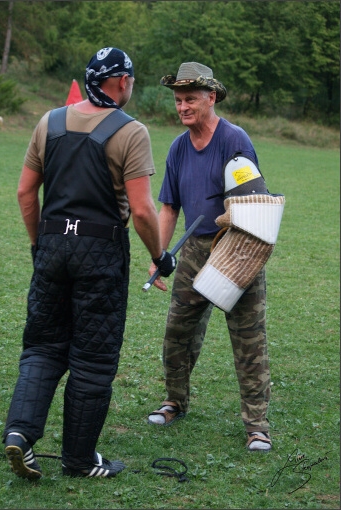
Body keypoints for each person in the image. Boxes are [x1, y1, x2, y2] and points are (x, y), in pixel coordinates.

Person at [2, 47, 176, 480]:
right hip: (100, 255)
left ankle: (20, 435)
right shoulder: (131, 131)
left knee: (42, 347)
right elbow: (141, 210)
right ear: (121, 82)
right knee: (93, 360)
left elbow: (26, 193)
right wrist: (160, 256)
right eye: (131, 82)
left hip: (52, 249)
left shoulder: (49, 121)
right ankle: (79, 461)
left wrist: (38, 246)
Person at [147, 62, 272, 452]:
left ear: (211, 98)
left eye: (190, 100)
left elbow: (255, 202)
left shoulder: (235, 140)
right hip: (193, 253)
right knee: (177, 335)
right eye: (178, 100)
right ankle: (174, 401)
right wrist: (159, 256)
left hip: (236, 248)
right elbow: (168, 208)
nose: (182, 107)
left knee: (248, 340)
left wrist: (234, 230)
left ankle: (257, 425)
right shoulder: (178, 147)